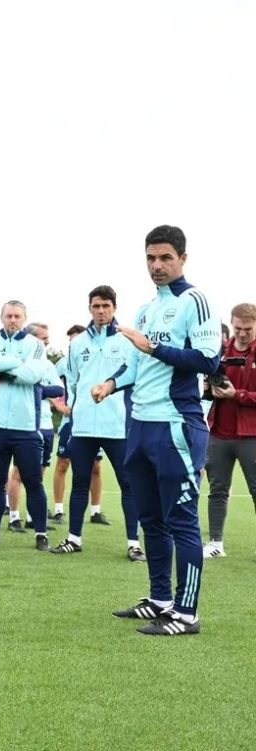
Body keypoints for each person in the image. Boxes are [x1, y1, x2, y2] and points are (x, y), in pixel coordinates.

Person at [94, 225, 219, 635]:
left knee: (181, 520)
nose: (157, 265)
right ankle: (161, 599)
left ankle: (187, 613)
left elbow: (207, 360)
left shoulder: (194, 301)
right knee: (151, 518)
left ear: (183, 257)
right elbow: (136, 363)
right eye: (150, 258)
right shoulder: (147, 309)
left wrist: (154, 347)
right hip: (140, 426)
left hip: (175, 426)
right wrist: (111, 383)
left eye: (165, 257)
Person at [50, 285, 144, 561]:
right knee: (79, 482)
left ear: (115, 307)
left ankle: (133, 544)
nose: (101, 311)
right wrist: (69, 413)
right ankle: (74, 538)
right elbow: (74, 384)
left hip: (118, 426)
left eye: (106, 306)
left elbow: (134, 377)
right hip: (83, 427)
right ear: (89, 308)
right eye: (96, 306)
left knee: (128, 484)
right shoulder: (77, 343)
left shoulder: (127, 339)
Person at [0, 300, 62, 551]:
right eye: (9, 316)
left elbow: (32, 375)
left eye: (17, 316)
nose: (13, 320)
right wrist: (14, 364)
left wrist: (0, 369)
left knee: (33, 481)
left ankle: (41, 534)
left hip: (26, 426)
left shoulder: (34, 345)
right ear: (2, 317)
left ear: (24, 319)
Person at [201, 303, 256, 558]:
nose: (242, 333)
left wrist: (238, 395)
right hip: (219, 431)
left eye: (247, 328)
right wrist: (209, 389)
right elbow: (208, 388)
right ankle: (215, 544)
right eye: (237, 328)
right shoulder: (219, 351)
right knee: (217, 490)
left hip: (251, 434)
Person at [5, 322, 64, 531]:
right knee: (19, 473)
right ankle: (13, 517)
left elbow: (59, 389)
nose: (47, 342)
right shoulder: (19, 362)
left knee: (38, 475)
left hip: (46, 426)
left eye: (48, 338)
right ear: (31, 340)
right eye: (43, 338)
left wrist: (36, 388)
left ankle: (32, 517)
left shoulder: (48, 365)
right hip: (25, 425)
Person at [52, 324, 104, 523]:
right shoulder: (62, 363)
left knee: (96, 467)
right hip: (70, 421)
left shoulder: (97, 358)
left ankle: (96, 511)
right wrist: (58, 404)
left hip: (95, 421)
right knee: (63, 464)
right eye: (70, 340)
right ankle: (58, 510)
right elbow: (48, 384)